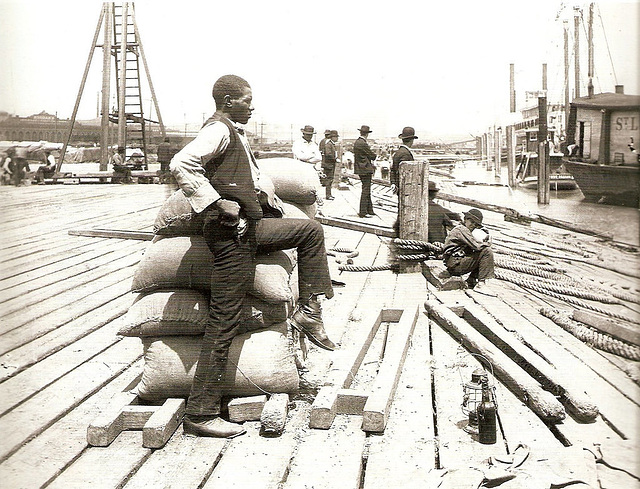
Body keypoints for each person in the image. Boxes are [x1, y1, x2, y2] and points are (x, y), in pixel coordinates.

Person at [170, 74, 336, 439]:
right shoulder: (218, 130)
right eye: (247, 99)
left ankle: (309, 312)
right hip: (230, 240)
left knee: (309, 230)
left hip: (248, 230)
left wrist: (265, 198)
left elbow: (250, 177)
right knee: (223, 320)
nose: (252, 105)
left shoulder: (236, 133)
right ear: (229, 101)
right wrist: (217, 202)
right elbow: (182, 164)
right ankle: (200, 412)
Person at [442, 208, 496, 294]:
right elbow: (477, 246)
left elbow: (473, 245)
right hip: (455, 265)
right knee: (486, 252)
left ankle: (471, 280)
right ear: (465, 219)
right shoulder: (462, 230)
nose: (473, 225)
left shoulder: (461, 229)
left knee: (480, 252)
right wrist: (488, 243)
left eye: (476, 224)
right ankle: (481, 284)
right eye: (472, 222)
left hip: (453, 264)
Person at [353, 124, 376, 218]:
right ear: (367, 134)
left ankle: (369, 210)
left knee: (366, 189)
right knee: (366, 190)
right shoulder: (363, 143)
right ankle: (363, 212)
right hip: (365, 169)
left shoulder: (357, 142)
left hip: (360, 168)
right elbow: (372, 156)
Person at [391, 126, 418, 193]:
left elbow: (393, 169)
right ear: (412, 140)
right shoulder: (406, 154)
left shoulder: (398, 152)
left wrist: (393, 183)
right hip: (405, 186)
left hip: (399, 185)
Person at [321, 130, 339, 200]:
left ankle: (329, 194)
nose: (337, 138)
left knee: (330, 180)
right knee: (329, 180)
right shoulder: (329, 144)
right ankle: (328, 195)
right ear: (332, 137)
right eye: (336, 137)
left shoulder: (331, 144)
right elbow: (328, 154)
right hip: (329, 165)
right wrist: (335, 159)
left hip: (330, 164)